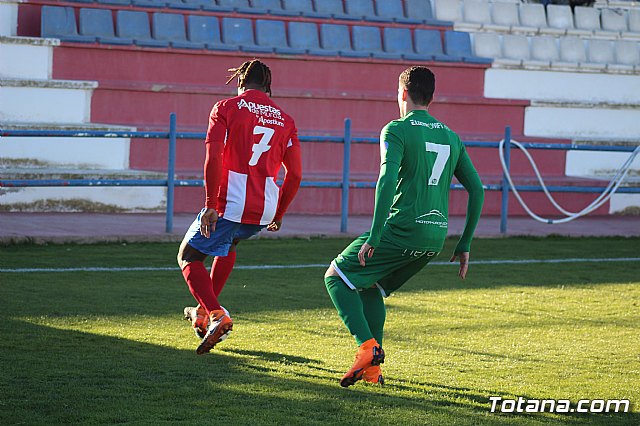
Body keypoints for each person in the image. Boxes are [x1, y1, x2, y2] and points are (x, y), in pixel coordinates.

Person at [324, 66, 484, 387]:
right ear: (432, 97)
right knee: (371, 286)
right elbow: (478, 190)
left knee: (337, 278)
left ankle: (367, 348)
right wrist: (464, 243)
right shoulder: (451, 137)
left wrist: (375, 234)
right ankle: (373, 371)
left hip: (402, 229)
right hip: (435, 238)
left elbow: (386, 180)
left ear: (402, 93)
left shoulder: (396, 129)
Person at [178, 59, 302, 355]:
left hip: (229, 202)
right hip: (264, 208)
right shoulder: (285, 119)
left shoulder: (226, 107)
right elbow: (295, 174)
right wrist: (280, 212)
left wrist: (210, 204)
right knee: (229, 245)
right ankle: (204, 313)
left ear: (240, 83)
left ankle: (216, 314)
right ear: (268, 86)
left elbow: (213, 156)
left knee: (189, 256)